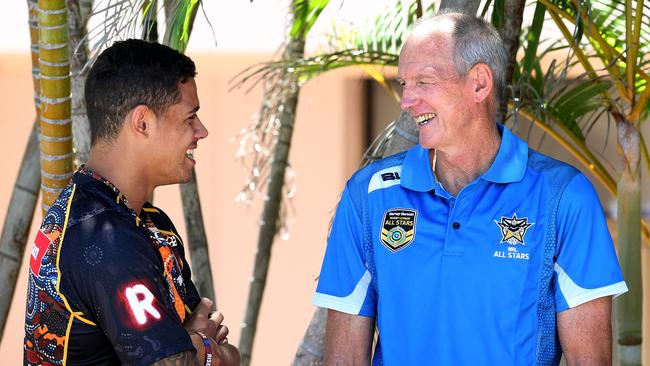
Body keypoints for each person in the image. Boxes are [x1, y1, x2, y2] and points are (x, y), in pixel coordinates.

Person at [313, 12, 628, 365]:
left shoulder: (563, 197)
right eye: (405, 84)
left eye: (424, 82)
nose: (406, 100)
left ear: (479, 83)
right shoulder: (367, 197)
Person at [24, 39, 239, 366]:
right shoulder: (102, 234)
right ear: (143, 123)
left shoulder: (149, 223)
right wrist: (207, 349)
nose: (201, 131)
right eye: (189, 117)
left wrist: (197, 345)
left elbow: (214, 338)